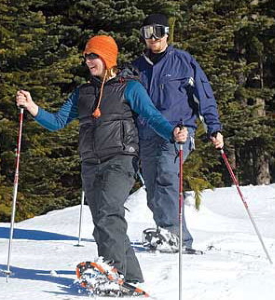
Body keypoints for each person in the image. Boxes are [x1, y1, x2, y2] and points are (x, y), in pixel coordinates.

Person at [15, 35, 185, 284]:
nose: (89, 61)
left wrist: (172, 132)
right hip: (90, 164)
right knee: (104, 221)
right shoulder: (82, 93)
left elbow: (152, 116)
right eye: (86, 56)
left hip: (121, 159)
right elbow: (57, 122)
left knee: (108, 213)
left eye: (93, 55)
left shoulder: (130, 87)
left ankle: (111, 270)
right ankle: (131, 276)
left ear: (107, 57)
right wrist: (33, 108)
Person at [133, 14, 224, 252]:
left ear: (165, 33)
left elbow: (204, 96)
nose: (152, 38)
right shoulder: (138, 66)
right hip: (147, 133)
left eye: (157, 32)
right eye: (146, 33)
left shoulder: (183, 61)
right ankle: (166, 234)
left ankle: (177, 238)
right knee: (153, 189)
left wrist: (213, 127)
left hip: (179, 132)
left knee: (166, 177)